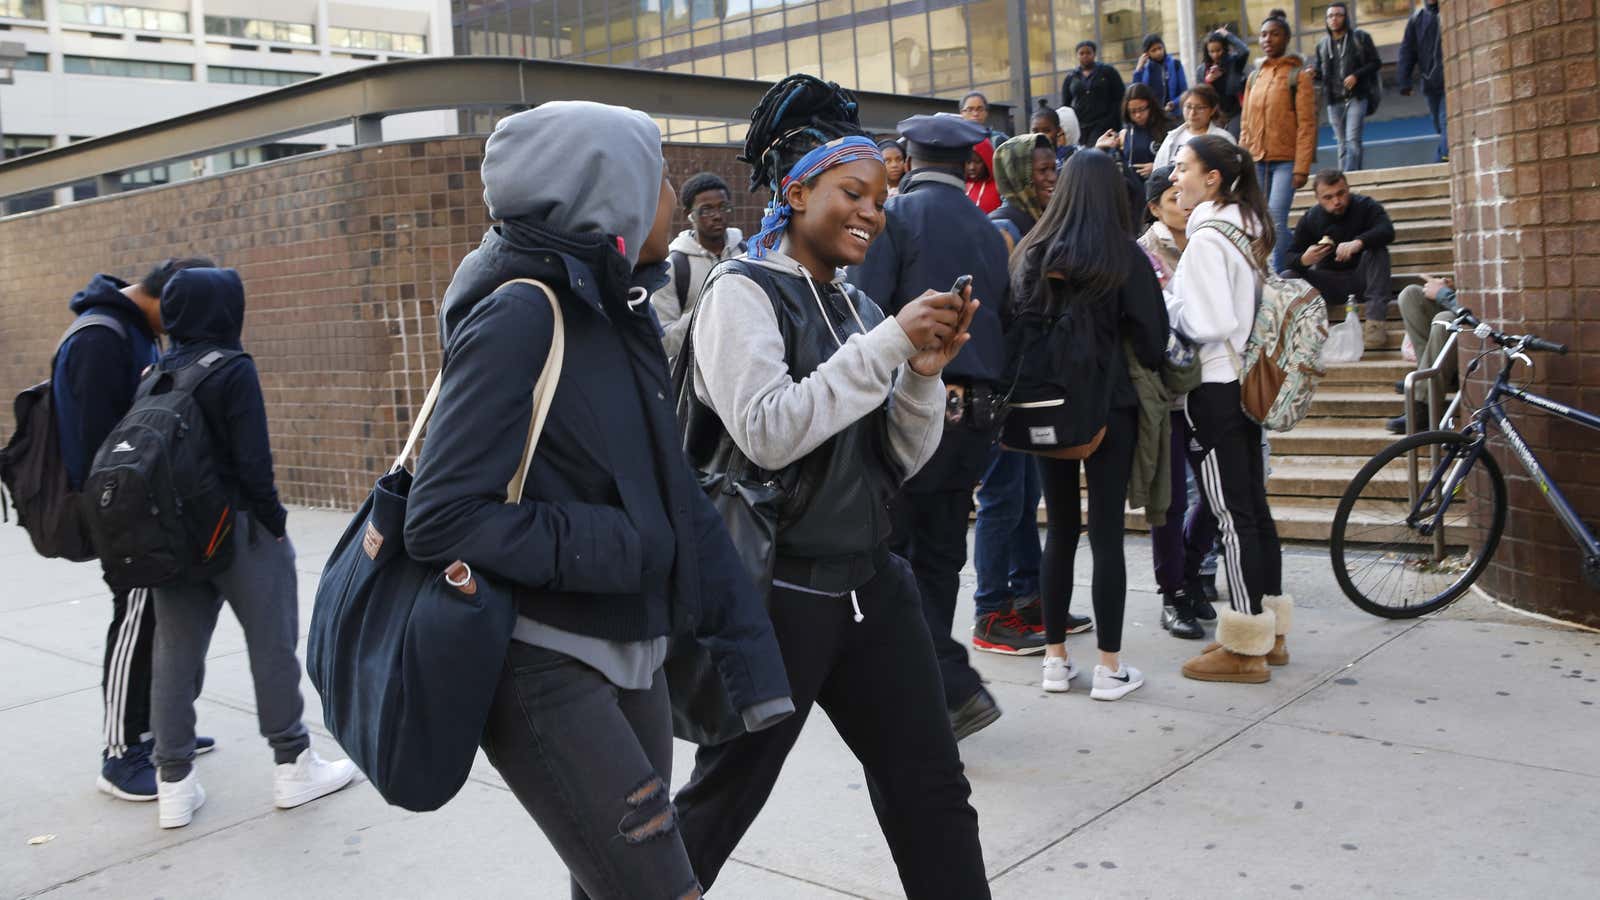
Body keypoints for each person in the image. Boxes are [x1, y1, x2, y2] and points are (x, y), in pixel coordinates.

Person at [404, 102, 792, 899]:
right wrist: (623, 543)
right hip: (543, 661)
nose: (673, 195)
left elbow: (672, 492)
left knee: (609, 887)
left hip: (632, 647)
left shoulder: (617, 308)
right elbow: (440, 515)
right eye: (656, 178)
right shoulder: (519, 311)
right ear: (602, 193)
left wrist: (746, 654)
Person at [672, 75, 991, 899]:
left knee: (932, 790)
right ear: (796, 189)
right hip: (780, 596)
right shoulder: (738, 293)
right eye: (853, 192)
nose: (871, 213)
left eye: (880, 199)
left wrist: (921, 377)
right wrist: (887, 346)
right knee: (720, 805)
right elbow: (768, 430)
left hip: (871, 584)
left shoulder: (851, 305)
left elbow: (898, 461)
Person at [149, 267, 358, 829]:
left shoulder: (157, 372)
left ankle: (173, 783)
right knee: (271, 645)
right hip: (239, 531)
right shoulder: (232, 369)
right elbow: (253, 461)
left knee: (174, 656)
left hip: (174, 538)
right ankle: (293, 765)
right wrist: (274, 525)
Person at [850, 111, 1011, 740]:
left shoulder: (899, 219)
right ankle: (930, 691)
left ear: (910, 160)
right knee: (940, 556)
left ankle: (945, 683)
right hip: (979, 416)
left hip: (916, 405)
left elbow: (867, 316)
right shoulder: (987, 227)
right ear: (967, 166)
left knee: (891, 554)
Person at [52, 259, 218, 802]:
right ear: (163, 298)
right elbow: (100, 448)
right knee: (134, 622)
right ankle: (120, 754)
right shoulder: (102, 338)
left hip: (138, 508)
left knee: (156, 621)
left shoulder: (130, 329)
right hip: (119, 513)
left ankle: (163, 734)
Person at [1006, 149, 1169, 700]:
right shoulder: (1123, 255)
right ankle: (1109, 666)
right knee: (1105, 535)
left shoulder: (1033, 250)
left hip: (1045, 412)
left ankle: (1054, 660)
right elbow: (1153, 340)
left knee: (1060, 532)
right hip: (1109, 408)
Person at [1164, 135, 1293, 684]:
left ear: (1212, 178)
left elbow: (1210, 322)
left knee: (1231, 516)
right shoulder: (1248, 228)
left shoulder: (1208, 241)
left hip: (1214, 386)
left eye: (1183, 167)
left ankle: (1244, 647)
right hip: (1244, 386)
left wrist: (1171, 316)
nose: (1176, 177)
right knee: (1253, 511)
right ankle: (1271, 631)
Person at [970, 133, 1062, 657]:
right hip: (1001, 388)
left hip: (1028, 386)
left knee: (1026, 497)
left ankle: (1029, 598)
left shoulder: (1036, 225)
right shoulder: (1003, 228)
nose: (1052, 178)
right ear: (1020, 175)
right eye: (1043, 170)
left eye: (1055, 169)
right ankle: (990, 613)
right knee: (1002, 499)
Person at [1137, 170, 1219, 640]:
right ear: (1155, 207)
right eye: (1174, 197)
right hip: (1166, 394)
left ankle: (1189, 571)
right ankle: (1172, 592)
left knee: (1215, 489)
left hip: (1212, 387)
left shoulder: (1208, 243)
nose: (1184, 203)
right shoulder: (1146, 252)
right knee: (1168, 500)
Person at [1240, 13, 1316, 274]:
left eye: (1274, 34)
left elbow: (1307, 125)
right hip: (1256, 159)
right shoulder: (1254, 77)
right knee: (1258, 220)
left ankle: (1277, 274)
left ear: (1286, 38)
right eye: (1263, 34)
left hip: (1286, 160)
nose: (1268, 39)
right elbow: (1245, 123)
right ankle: (1280, 263)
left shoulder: (1298, 76)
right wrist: (1242, 159)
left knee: (1276, 218)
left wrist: (1302, 166)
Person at [1286, 169, 1395, 349]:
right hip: (1327, 283)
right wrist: (1305, 260)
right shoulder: (1311, 218)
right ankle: (1301, 332)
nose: (1336, 201)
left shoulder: (1365, 206)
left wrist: (1360, 242)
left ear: (1348, 189)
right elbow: (1290, 256)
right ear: (1318, 199)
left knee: (1378, 250)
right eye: (1328, 198)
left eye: (1341, 194)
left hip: (1363, 279)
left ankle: (1375, 323)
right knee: (1289, 275)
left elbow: (1387, 230)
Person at [650, 171, 746, 363]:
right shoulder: (673, 267)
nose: (717, 216)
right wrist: (707, 312)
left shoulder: (746, 255)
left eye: (723, 207)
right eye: (706, 209)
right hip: (696, 381)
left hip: (746, 370)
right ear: (689, 214)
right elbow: (663, 341)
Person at [1310, 3, 1381, 172]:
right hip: (1333, 100)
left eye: (1338, 15)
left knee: (1352, 140)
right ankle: (1345, 180)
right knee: (1342, 144)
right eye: (1330, 16)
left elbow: (1376, 63)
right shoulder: (1322, 45)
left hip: (1356, 97)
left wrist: (1356, 75)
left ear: (1346, 18)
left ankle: (1352, 177)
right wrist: (1314, 73)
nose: (1334, 19)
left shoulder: (1360, 38)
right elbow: (1321, 72)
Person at [1386, 276, 1460, 433]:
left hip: (1481, 333)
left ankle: (1423, 406)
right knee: (1411, 295)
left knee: (1445, 320)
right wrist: (1453, 287)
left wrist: (1443, 294)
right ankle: (1427, 375)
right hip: (1460, 306)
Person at [1399, 0, 1447, 162]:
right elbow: (1407, 51)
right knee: (1440, 126)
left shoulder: (1449, 12)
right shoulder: (1417, 19)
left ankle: (1441, 160)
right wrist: (1404, 81)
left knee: (1447, 121)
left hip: (1451, 83)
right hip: (1430, 83)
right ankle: (1447, 153)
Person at [1098, 82, 1169, 180]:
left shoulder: (1168, 127)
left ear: (1150, 106)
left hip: (1160, 184)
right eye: (1133, 111)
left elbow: (1177, 158)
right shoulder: (1126, 133)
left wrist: (1158, 167)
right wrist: (1100, 148)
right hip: (1134, 187)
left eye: (1142, 109)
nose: (1138, 115)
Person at [1154, 85, 1235, 170]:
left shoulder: (1223, 139)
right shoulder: (1172, 137)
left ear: (1212, 110)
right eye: (1188, 107)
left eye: (1200, 108)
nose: (1193, 113)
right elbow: (1158, 171)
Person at [1063, 40, 1127, 147]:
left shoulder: (1108, 72)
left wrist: (1115, 119)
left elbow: (1120, 97)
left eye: (1088, 53)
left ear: (1094, 54)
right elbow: (1066, 105)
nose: (1085, 56)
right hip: (1081, 125)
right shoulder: (1071, 77)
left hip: (1103, 123)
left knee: (1097, 151)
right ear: (1077, 56)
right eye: (1081, 53)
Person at [1196, 28, 1251, 137]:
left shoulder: (1234, 62)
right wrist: (1208, 81)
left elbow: (1245, 51)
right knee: (1218, 145)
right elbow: (1200, 96)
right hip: (1215, 114)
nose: (1215, 55)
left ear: (1224, 49)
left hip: (1236, 111)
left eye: (1218, 50)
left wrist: (1227, 35)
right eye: (1211, 51)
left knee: (1233, 140)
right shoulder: (1202, 70)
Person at [1132, 33, 1188, 119]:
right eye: (1153, 50)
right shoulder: (1145, 69)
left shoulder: (1175, 64)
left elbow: (1184, 91)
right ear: (1147, 53)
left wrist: (1174, 103)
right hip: (1153, 117)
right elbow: (1135, 93)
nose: (1158, 52)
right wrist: (1139, 69)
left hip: (1175, 115)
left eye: (1160, 48)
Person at [964, 137, 1001, 213]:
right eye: (968, 162)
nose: (972, 167)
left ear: (987, 161)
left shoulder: (1000, 187)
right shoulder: (962, 187)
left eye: (977, 162)